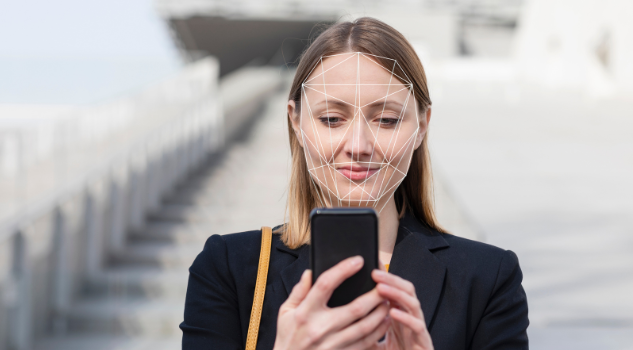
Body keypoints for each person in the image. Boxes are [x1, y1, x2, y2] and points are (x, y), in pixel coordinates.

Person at [180, 17, 529, 350]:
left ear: (422, 126)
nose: (359, 145)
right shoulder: (228, 268)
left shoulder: (488, 279)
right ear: (296, 122)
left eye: (388, 119)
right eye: (332, 119)